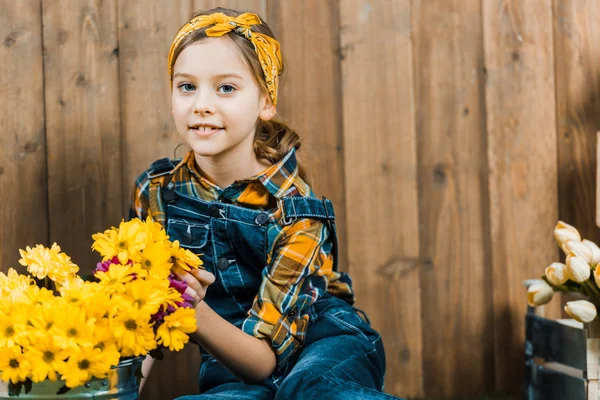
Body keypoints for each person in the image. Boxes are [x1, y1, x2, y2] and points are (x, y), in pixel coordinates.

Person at [129, 7, 403, 400]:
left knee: (307, 390)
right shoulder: (155, 192)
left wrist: (191, 312)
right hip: (232, 366)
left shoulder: (297, 211)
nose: (201, 104)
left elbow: (264, 359)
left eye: (226, 88)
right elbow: (143, 314)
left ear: (265, 101)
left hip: (323, 349)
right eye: (187, 86)